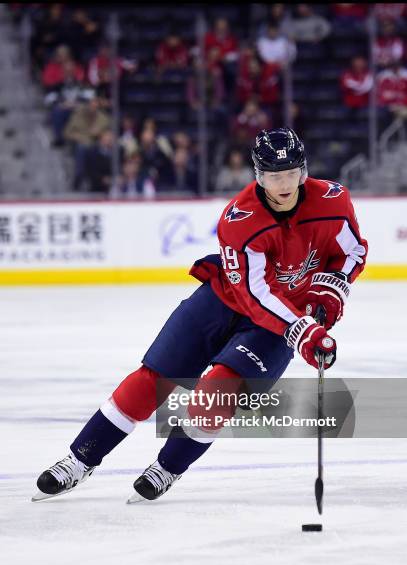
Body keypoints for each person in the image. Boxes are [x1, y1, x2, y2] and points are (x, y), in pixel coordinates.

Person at [32, 128, 368, 503]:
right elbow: (256, 294)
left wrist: (332, 290)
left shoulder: (333, 202)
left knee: (217, 393)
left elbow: (352, 253)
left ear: (303, 171)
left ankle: (167, 468)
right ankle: (80, 459)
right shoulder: (240, 220)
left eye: (291, 173)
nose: (284, 184)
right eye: (274, 176)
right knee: (149, 380)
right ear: (258, 176)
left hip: (279, 323)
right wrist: (303, 330)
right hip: (226, 301)